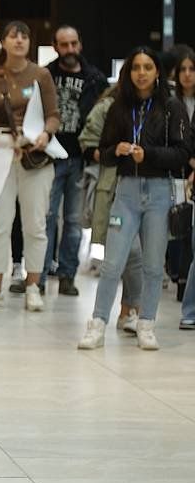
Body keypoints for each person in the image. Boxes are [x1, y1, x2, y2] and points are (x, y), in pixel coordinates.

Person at [78, 47, 191, 351]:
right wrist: (116, 150)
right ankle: (97, 323)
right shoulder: (117, 106)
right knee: (112, 263)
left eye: (148, 67)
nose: (141, 73)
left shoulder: (172, 107)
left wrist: (149, 154)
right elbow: (104, 149)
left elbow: (183, 154)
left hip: (158, 193)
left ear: (157, 72)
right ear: (128, 72)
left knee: (154, 265)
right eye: (136, 67)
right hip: (125, 193)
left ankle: (147, 323)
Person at [0, 21, 60, 312]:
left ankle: (33, 287)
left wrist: (46, 133)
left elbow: (54, 115)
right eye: (14, 35)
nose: (19, 40)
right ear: (5, 42)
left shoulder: (42, 74)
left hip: (35, 154)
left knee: (35, 225)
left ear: (29, 42)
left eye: (24, 35)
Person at [31, 26, 105, 298]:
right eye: (64, 44)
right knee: (45, 218)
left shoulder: (95, 79)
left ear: (80, 44)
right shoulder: (44, 75)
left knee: (73, 220)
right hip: (48, 154)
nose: (70, 49)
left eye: (74, 43)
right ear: (55, 46)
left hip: (79, 156)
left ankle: (67, 275)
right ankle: (37, 276)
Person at [79, 85, 143, 333]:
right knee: (124, 255)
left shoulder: (157, 109)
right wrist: (111, 154)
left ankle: (129, 310)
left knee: (138, 255)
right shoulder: (107, 108)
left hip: (144, 187)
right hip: (113, 187)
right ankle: (116, 314)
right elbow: (87, 142)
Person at [167, 46, 195, 301]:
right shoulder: (170, 101)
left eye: (191, 69)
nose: (187, 75)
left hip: (193, 171)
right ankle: (178, 277)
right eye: (182, 69)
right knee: (177, 226)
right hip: (176, 170)